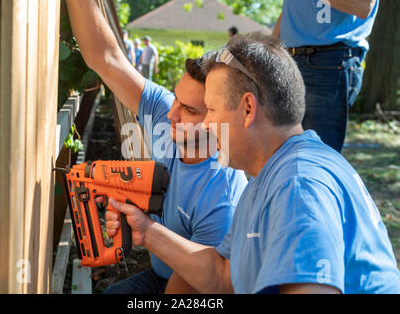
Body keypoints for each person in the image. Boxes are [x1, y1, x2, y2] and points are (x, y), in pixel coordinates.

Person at [106, 33, 400, 294]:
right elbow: (223, 276)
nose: (207, 124)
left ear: (247, 109)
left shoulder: (298, 186)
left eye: (211, 110)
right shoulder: (268, 179)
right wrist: (146, 231)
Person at [64, 0, 248, 294]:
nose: (171, 114)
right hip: (161, 270)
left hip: (197, 287)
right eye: (176, 97)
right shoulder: (170, 116)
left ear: (218, 118)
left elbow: (192, 285)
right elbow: (105, 58)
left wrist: (146, 230)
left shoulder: (221, 197)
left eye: (189, 110)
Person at [272, 0, 379, 153]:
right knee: (285, 154)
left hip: (327, 62)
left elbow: (364, 4)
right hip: (290, 60)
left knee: (314, 156)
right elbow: (292, 11)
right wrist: (270, 49)